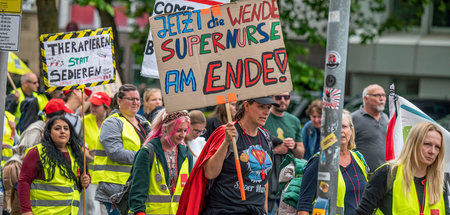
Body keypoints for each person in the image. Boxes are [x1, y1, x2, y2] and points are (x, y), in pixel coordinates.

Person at [177, 96, 278, 215]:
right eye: (261, 107)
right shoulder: (226, 132)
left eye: (268, 107)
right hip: (225, 209)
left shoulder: (266, 138)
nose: (266, 112)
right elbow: (209, 173)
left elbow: (264, 183)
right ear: (246, 106)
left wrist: (264, 211)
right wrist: (226, 142)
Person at [356, 122, 449, 214]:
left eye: (437, 147)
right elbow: (363, 212)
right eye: (427, 144)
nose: (432, 151)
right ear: (413, 144)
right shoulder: (387, 173)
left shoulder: (440, 181)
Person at [93, 84, 151, 215]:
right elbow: (115, 153)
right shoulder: (112, 123)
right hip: (116, 189)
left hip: (137, 185)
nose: (135, 102)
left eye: (137, 99)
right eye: (130, 99)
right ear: (119, 101)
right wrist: (143, 158)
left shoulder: (144, 123)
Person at [297, 110, 368, 215]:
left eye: (344, 126)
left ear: (351, 130)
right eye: (335, 127)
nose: (340, 131)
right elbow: (303, 206)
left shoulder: (358, 158)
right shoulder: (319, 161)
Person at [18, 116, 90, 215]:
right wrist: (26, 211)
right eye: (57, 128)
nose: (62, 131)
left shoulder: (76, 152)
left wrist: (85, 180)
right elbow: (24, 181)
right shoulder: (36, 152)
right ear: (48, 133)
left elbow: (84, 175)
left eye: (66, 128)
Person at [129, 111, 193, 214]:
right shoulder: (147, 152)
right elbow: (137, 191)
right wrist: (139, 212)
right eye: (178, 130)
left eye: (185, 130)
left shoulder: (186, 154)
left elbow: (188, 191)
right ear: (164, 128)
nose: (183, 135)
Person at [263, 92, 304, 215]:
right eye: (278, 97)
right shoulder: (264, 116)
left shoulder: (294, 120)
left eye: (286, 97)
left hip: (288, 178)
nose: (283, 100)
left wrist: (294, 146)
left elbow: (301, 154)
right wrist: (275, 151)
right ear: (271, 98)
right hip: (267, 176)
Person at [80, 91, 111, 215]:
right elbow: (80, 141)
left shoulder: (113, 122)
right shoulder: (84, 120)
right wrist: (84, 149)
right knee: (92, 209)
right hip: (90, 174)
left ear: (106, 107)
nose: (92, 108)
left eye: (97, 105)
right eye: (92, 104)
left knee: (106, 210)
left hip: (108, 175)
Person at [351, 84, 388, 172]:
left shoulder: (386, 118)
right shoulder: (353, 119)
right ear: (365, 98)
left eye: (383, 95)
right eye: (377, 95)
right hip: (361, 174)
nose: (382, 99)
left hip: (384, 175)